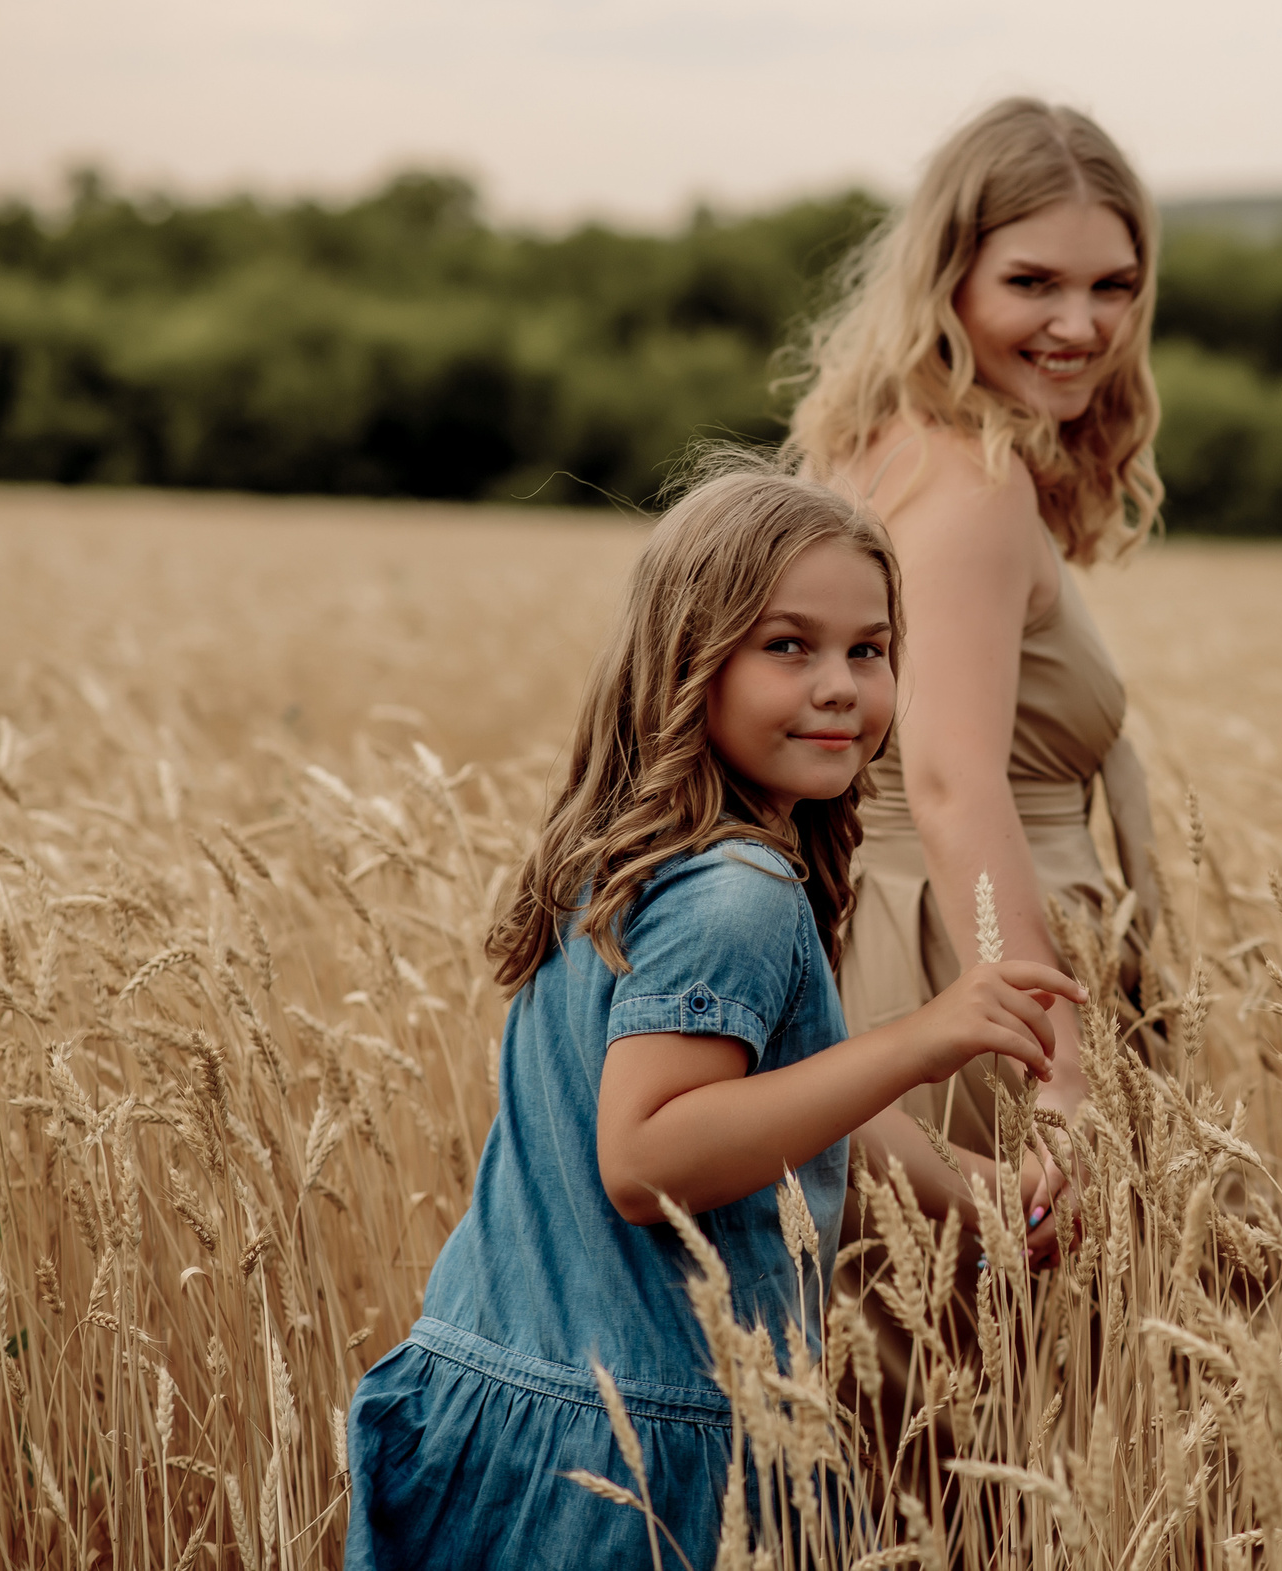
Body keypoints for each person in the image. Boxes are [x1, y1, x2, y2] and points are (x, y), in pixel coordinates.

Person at [343, 464, 1086, 1571]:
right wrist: (922, 1037)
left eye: (869, 650)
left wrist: (979, 1201)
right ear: (687, 660)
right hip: (638, 1461)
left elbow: (778, 1104)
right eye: (787, 646)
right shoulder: (737, 893)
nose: (839, 685)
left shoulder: (634, 860)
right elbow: (648, 1157)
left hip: (500, 1397)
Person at [784, 96, 1165, 1261]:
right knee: (1014, 1373)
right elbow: (954, 785)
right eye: (1034, 283)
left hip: (917, 945)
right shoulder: (974, 481)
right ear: (950, 278)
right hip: (968, 962)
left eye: (1112, 286)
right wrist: (1053, 1061)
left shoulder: (880, 448)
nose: (1080, 323)